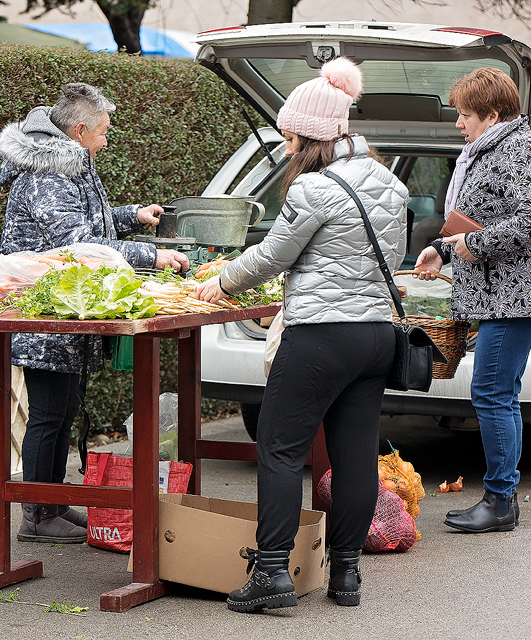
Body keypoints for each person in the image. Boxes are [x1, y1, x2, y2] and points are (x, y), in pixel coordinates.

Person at [196, 57, 408, 611]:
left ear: (311, 134)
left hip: (320, 338)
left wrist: (221, 281)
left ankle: (271, 574)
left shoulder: (314, 188)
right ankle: (346, 576)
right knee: (355, 456)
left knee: (279, 449)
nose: (287, 143)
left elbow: (272, 257)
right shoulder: (390, 184)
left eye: (291, 133)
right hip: (376, 337)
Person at [0, 83, 190, 544]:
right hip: (44, 314)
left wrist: (131, 215)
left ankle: (52, 504)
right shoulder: (47, 174)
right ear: (80, 130)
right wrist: (150, 256)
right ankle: (37, 516)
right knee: (47, 415)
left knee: (63, 412)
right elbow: (78, 244)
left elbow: (89, 225)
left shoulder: (68, 165)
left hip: (67, 315)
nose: (106, 140)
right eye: (102, 132)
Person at [412, 67, 531, 533]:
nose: (459, 124)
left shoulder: (524, 150)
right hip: (501, 294)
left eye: (465, 115)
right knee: (502, 393)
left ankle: (500, 501)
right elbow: (481, 214)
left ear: (492, 115)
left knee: (492, 393)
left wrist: (471, 247)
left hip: (517, 297)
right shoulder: (490, 150)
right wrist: (441, 248)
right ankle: (502, 497)